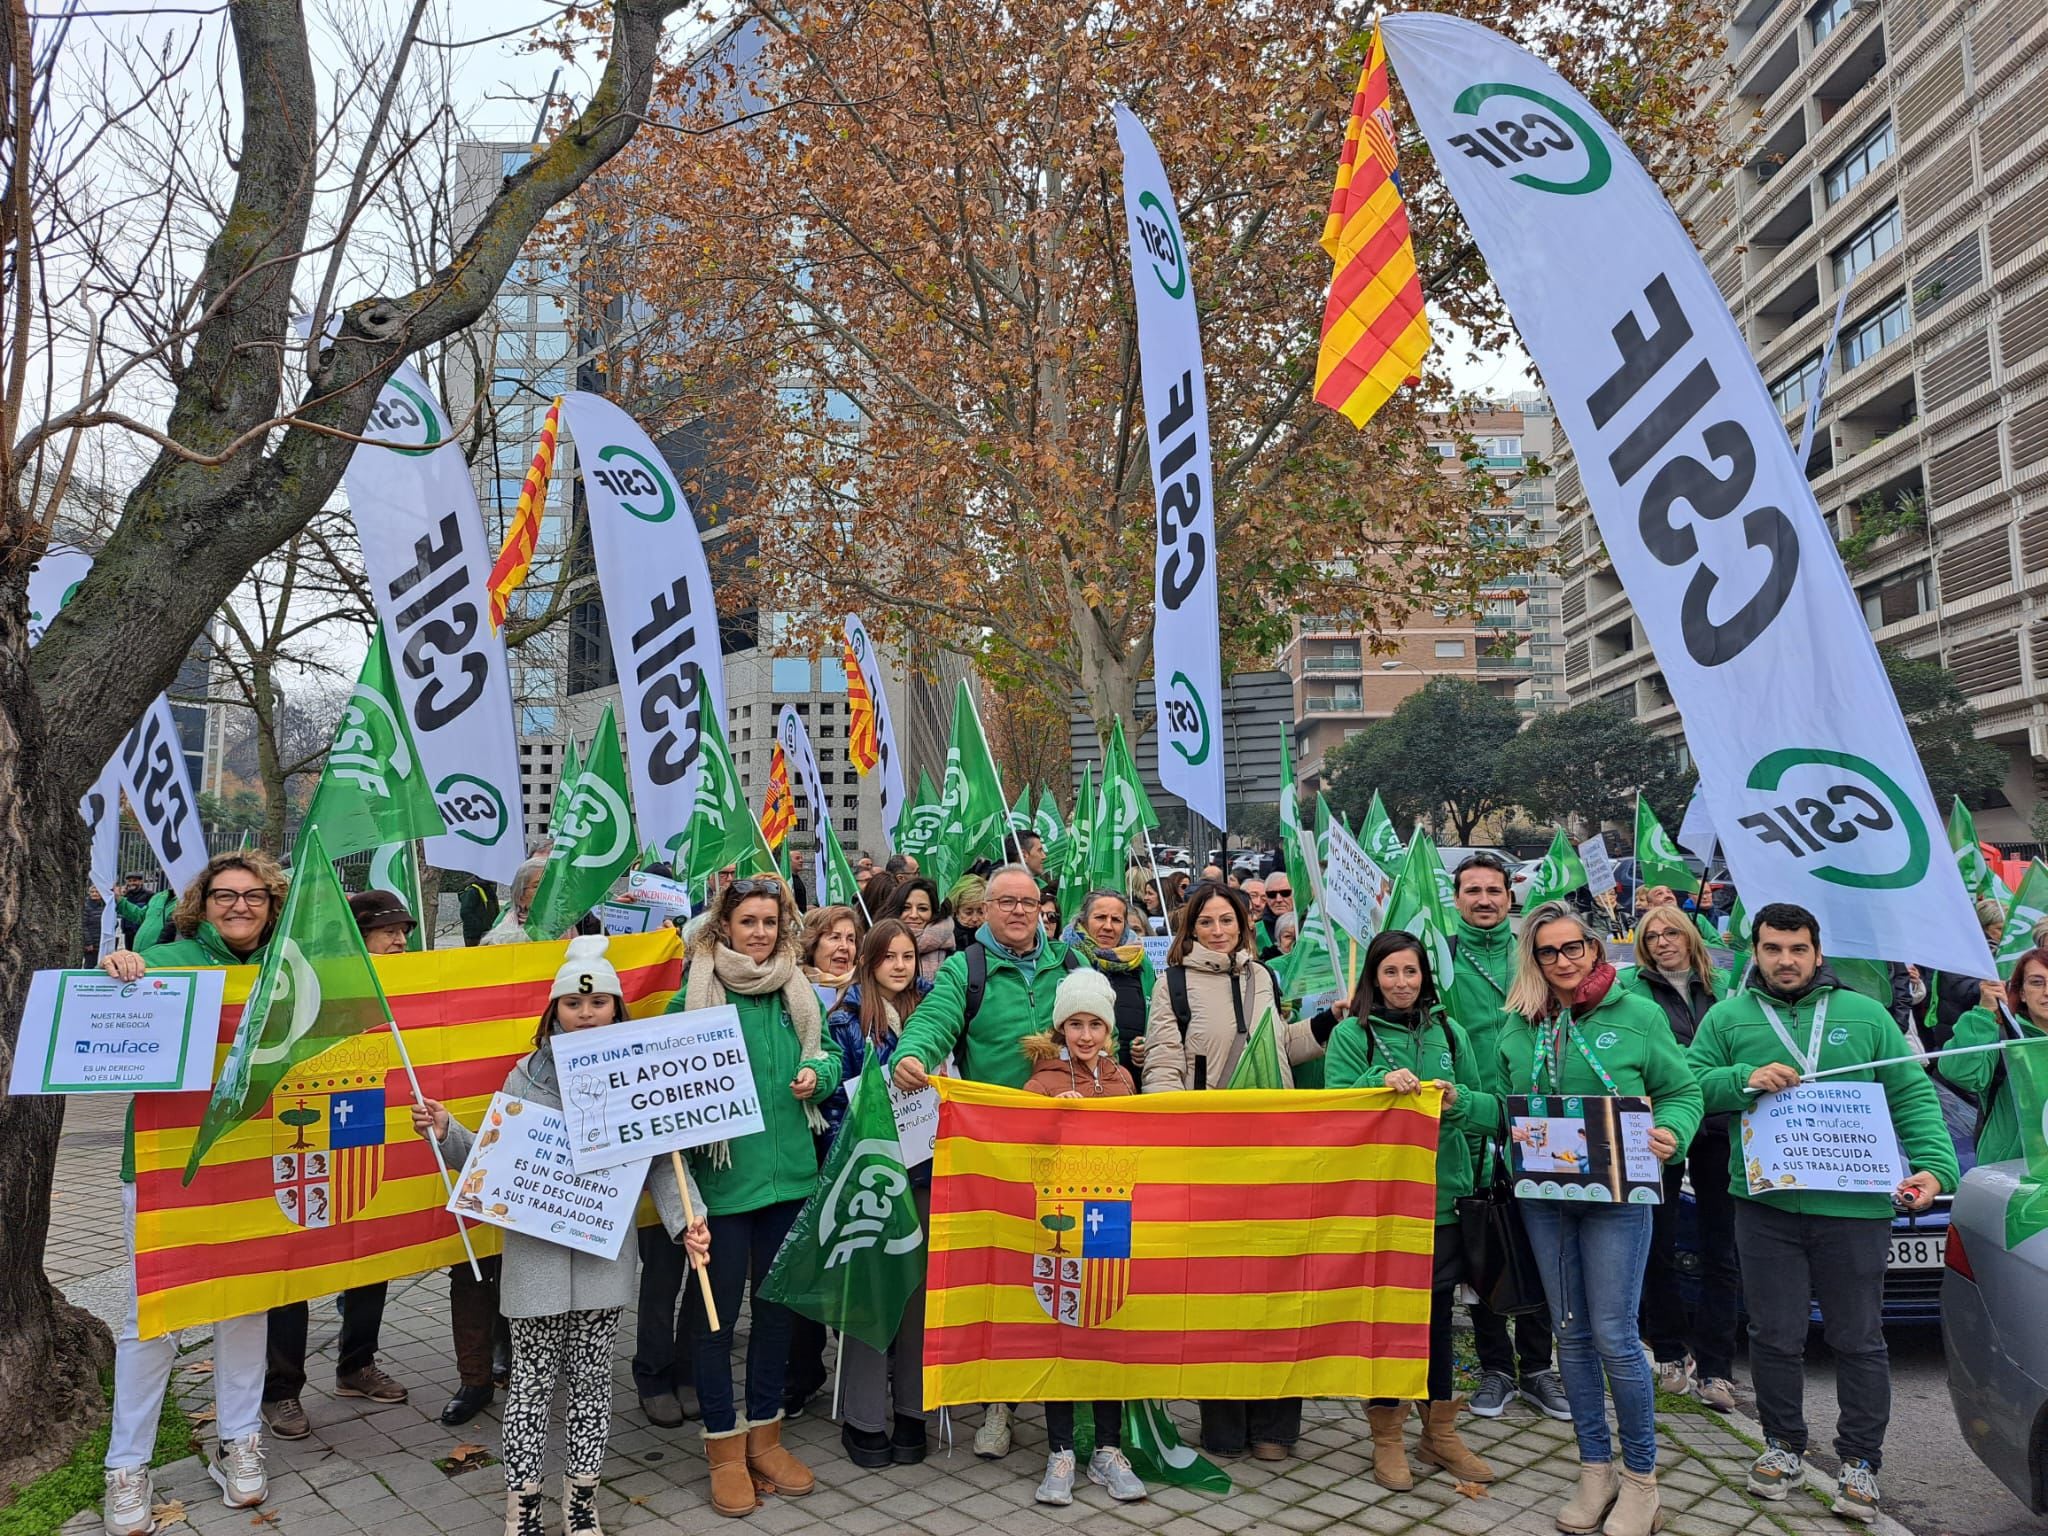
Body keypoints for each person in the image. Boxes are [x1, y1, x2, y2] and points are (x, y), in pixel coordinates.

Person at [412, 936, 709, 1536]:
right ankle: (522, 1506)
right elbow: (501, 1159)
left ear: (617, 1010)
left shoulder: (634, 1078)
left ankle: (581, 1502)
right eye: (574, 1005)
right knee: (531, 1384)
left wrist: (688, 1220)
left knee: (592, 1384)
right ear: (554, 1013)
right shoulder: (525, 1078)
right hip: (538, 1260)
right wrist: (449, 1133)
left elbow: (661, 1162)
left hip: (604, 1257)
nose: (586, 1013)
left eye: (599, 1002)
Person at [1687, 902, 1958, 1523]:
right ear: (1754, 951)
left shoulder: (1864, 1015)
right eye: (1774, 948)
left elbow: (1911, 1091)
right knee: (1773, 1336)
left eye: (1798, 949)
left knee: (1858, 1338)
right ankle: (1782, 1447)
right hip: (1765, 1206)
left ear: (1817, 952)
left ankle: (1861, 1463)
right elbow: (1690, 1084)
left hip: (1855, 1208)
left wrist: (1935, 1169)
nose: (1786, 960)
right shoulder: (1728, 1018)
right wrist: (1743, 1077)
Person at [99, 851, 290, 1533]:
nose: (240, 907)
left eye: (255, 897)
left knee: (245, 1307)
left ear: (272, 904)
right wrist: (119, 971)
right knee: (153, 1316)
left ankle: (238, 1440)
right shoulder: (171, 961)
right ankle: (126, 1467)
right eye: (224, 896)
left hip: (253, 1162)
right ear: (201, 904)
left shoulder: (290, 967)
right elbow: (111, 1008)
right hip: (164, 1164)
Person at [1499, 901, 1701, 1536]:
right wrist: (1451, 1103)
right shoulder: (1518, 1025)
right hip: (1544, 1201)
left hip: (1617, 1201)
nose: (1563, 961)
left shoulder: (1636, 1013)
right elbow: (1499, 1107)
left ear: (1593, 946)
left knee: (1615, 1335)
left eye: (1573, 948)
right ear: (1532, 960)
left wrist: (1672, 1130)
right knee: (1572, 1335)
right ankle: (1595, 1468)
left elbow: (1682, 1090)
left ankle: (1642, 1480)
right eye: (1548, 952)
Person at [891, 863, 1083, 1458]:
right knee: (1005, 1279)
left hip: (1071, 1154)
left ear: (1041, 908)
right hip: (998, 1154)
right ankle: (999, 1403)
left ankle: (1071, 1394)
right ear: (987, 908)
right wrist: (913, 1053)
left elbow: (1102, 1025)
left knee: (1067, 1274)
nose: (1019, 912)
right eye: (1006, 902)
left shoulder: (1073, 967)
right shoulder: (965, 969)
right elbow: (933, 1021)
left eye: (1028, 902)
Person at [669, 875, 841, 1515]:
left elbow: (825, 1058)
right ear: (724, 927)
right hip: (719, 1189)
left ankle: (766, 1436)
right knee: (714, 1323)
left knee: (775, 1315)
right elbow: (657, 1076)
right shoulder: (696, 995)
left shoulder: (798, 989)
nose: (762, 933)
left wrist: (815, 1076)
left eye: (771, 922)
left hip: (789, 1178)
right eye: (749, 922)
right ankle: (722, 1444)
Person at [1144, 880, 1333, 1461]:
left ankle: (1275, 1425)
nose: (1218, 930)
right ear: (1190, 930)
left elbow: (1279, 1050)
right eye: (1206, 923)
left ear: (1243, 924)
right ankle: (1223, 1419)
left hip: (1273, 1155)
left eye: (1227, 920)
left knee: (1278, 1284)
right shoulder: (1171, 984)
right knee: (1215, 1291)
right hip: (1210, 1157)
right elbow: (1162, 1064)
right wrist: (1178, 1139)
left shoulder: (1264, 978)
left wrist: (1326, 1027)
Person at [1325, 930, 1497, 1491]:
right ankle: (1386, 1437)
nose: (1402, 983)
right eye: (1390, 972)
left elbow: (1487, 1108)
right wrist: (1378, 1083)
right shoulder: (1354, 1034)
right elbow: (1336, 1107)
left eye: (1412, 972)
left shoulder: (1452, 1032)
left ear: (1426, 976)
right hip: (1382, 1204)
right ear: (1373, 977)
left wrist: (1458, 1104)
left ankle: (1440, 1433)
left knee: (1437, 1320)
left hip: (1442, 1202)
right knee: (1385, 1321)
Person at [259, 891, 418, 1443]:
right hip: (307, 1136)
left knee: (372, 1255)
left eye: (405, 931)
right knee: (295, 1264)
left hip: (372, 1132)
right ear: (357, 935)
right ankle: (280, 1390)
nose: (401, 941)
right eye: (388, 931)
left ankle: (357, 1365)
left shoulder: (413, 981)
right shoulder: (308, 982)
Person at [1445, 851, 1570, 1423]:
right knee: (1489, 1244)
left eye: (1494, 890)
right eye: (1473, 891)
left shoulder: (1538, 955)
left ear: (1508, 896)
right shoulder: (1443, 957)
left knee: (1542, 1241)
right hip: (1471, 1120)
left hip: (1539, 1119)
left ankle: (1538, 1367)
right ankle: (1496, 1367)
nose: (1485, 900)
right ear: (1457, 898)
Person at [1019, 969, 1147, 1506]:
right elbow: (1021, 1145)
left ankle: (1108, 1452)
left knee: (1107, 1331)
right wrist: (1054, 1119)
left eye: (1096, 1024)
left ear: (1109, 1029)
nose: (1086, 1035)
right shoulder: (1041, 1081)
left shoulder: (1122, 1079)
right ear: (1060, 1027)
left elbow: (1139, 1145)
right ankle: (1061, 1451)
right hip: (1060, 1223)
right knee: (1063, 1333)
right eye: (1076, 1023)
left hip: (1113, 1219)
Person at [1619, 907, 1739, 1412]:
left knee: (1722, 1250)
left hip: (1718, 1129)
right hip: (1661, 1131)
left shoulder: (1726, 989)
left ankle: (1716, 1369)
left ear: (1691, 935)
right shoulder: (1633, 991)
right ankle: (1667, 1351)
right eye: (1652, 935)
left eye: (1672, 931)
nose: (1664, 941)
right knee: (1658, 1243)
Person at [827, 919, 935, 1467]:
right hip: (870, 1176)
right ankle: (865, 1415)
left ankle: (913, 1410)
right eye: (888, 956)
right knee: (871, 1299)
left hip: (925, 1176)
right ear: (868, 961)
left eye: (909, 955)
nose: (900, 965)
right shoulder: (846, 1021)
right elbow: (831, 1107)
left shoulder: (933, 1009)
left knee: (917, 1298)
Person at [779, 903, 864, 1420]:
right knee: (804, 1261)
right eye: (832, 936)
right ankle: (803, 1370)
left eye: (851, 938)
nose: (842, 946)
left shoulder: (866, 996)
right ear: (811, 942)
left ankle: (855, 1370)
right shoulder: (794, 992)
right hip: (802, 1145)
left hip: (848, 1146)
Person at [1939, 951, 2044, 1165]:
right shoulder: (2001, 1038)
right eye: (2037, 982)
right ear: (2022, 992)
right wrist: (1984, 1012)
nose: (2047, 992)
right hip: (2013, 1175)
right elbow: (1962, 1074)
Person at [1070, 889, 1153, 1079]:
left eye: (1116, 920)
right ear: (1083, 921)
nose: (1108, 926)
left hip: (1132, 1079)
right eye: (1100, 918)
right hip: (1081, 1080)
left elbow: (1154, 1017)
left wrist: (1147, 1044)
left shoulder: (1140, 963)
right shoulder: (1067, 958)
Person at [1920, 897, 2006, 1053]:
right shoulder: (1960, 952)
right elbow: (1960, 988)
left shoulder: (2005, 952)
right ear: (1982, 928)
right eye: (1999, 929)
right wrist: (1989, 988)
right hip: (1959, 1028)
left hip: (1982, 1028)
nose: (2004, 934)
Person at [917, 874, 986, 981]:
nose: (975, 918)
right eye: (968, 912)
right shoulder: (945, 936)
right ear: (956, 910)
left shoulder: (991, 937)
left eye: (981, 912)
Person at [481, 858, 546, 945]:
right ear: (520, 896)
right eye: (537, 885)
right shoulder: (500, 939)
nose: (548, 890)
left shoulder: (569, 928)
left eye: (551, 884)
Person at [452, 871, 501, 947]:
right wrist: (480, 927)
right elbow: (465, 912)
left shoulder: (488, 889)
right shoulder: (472, 891)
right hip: (475, 936)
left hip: (488, 932)